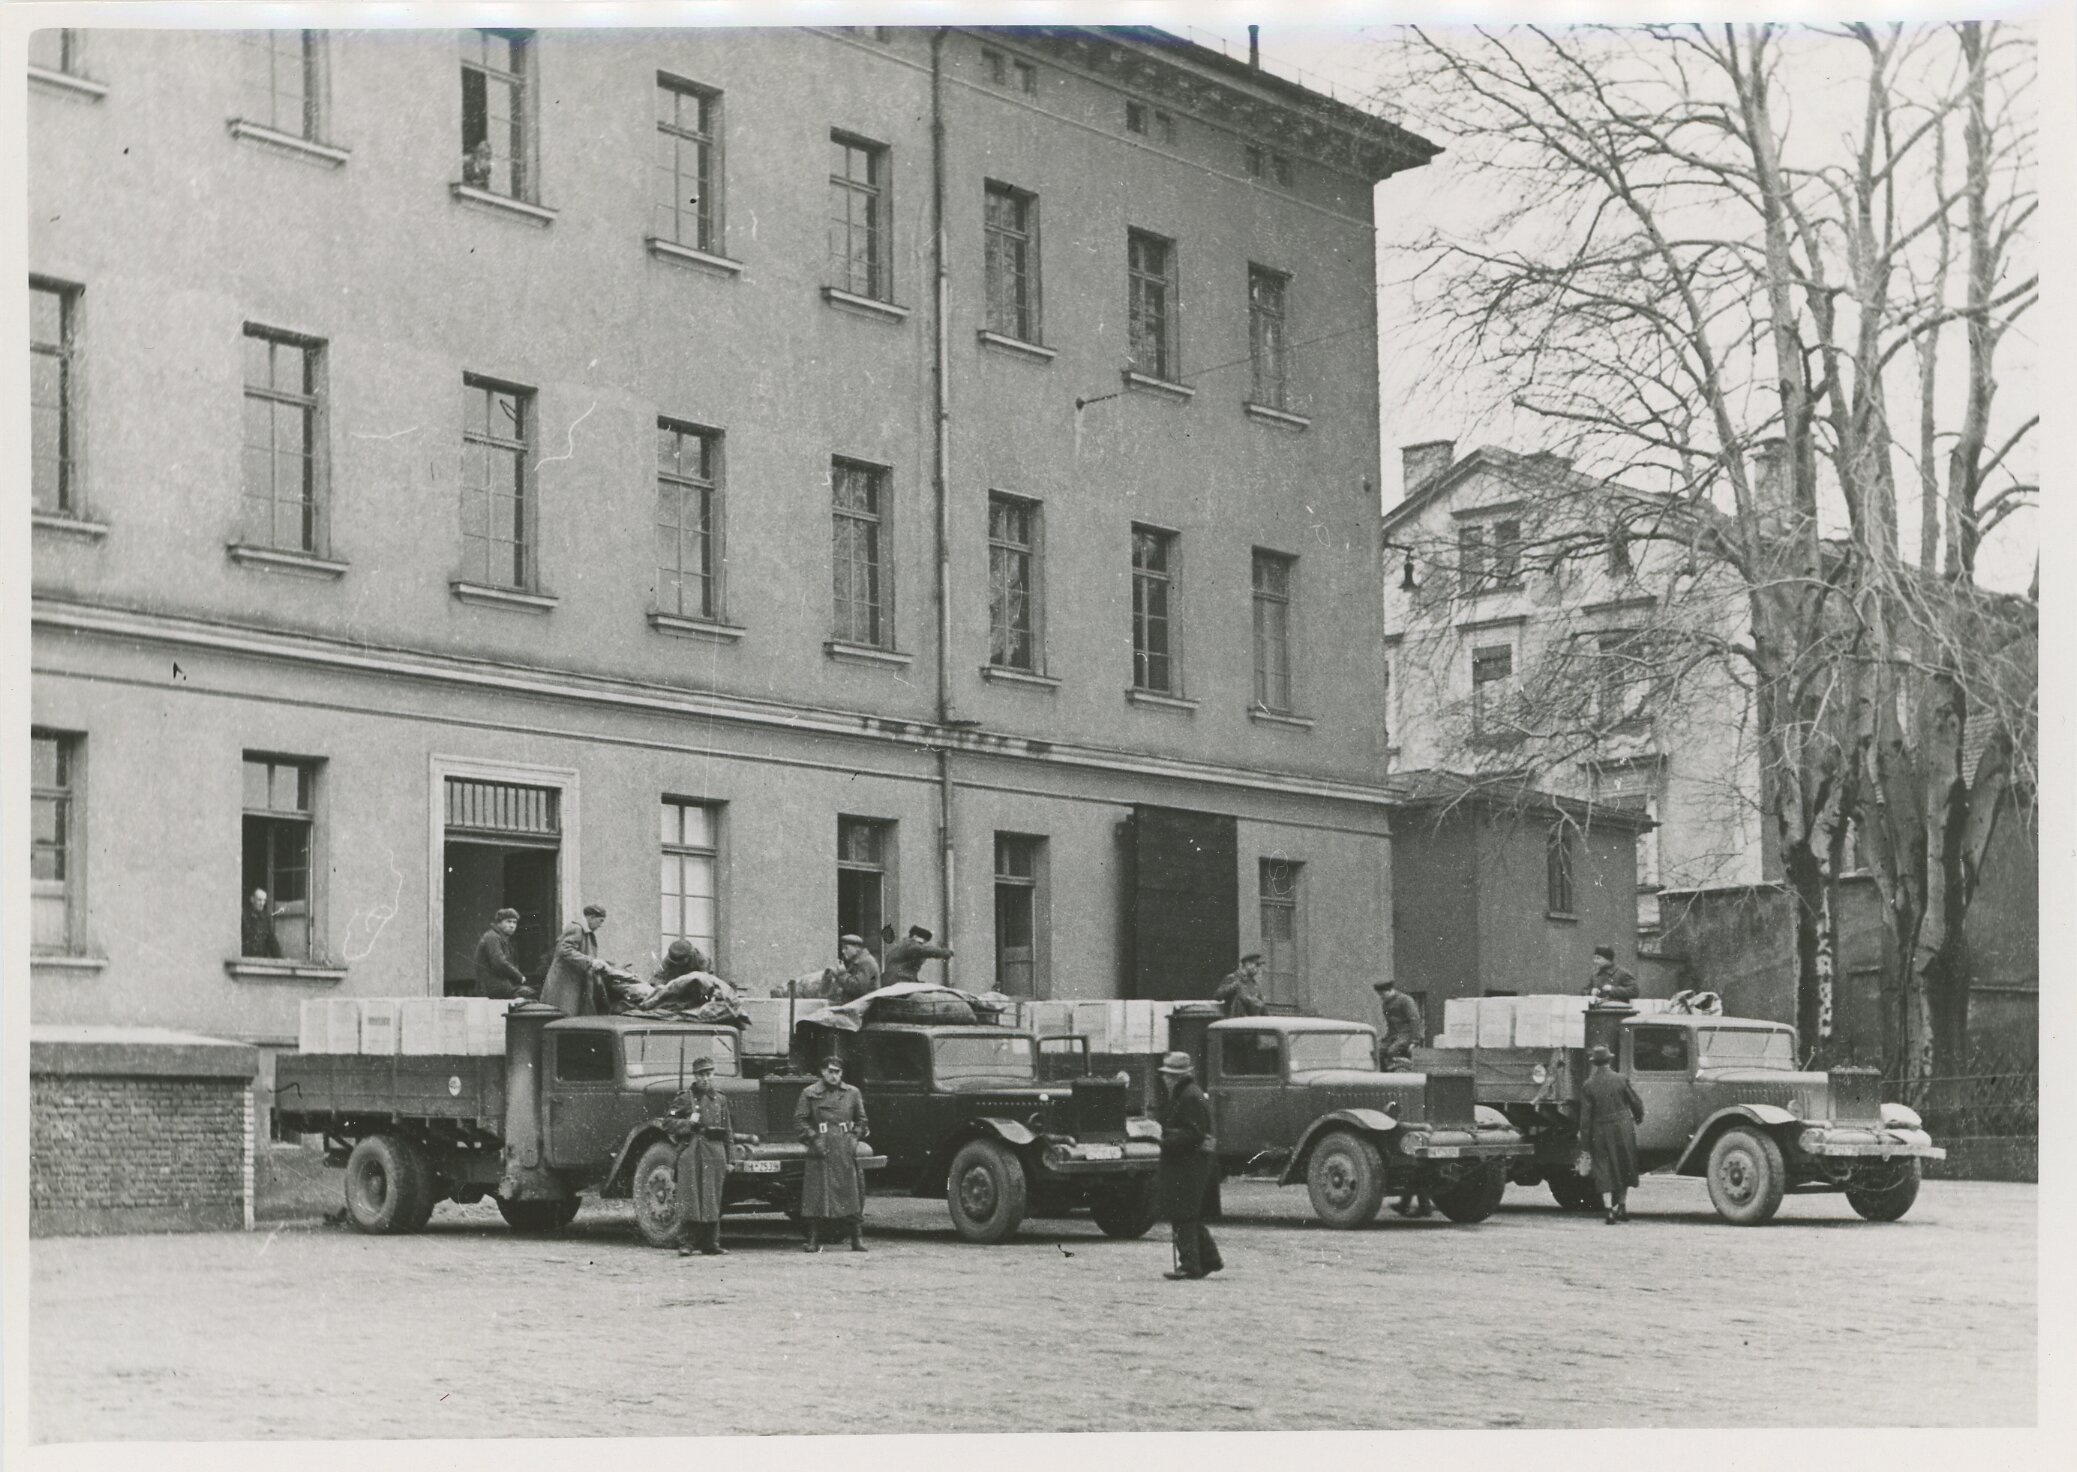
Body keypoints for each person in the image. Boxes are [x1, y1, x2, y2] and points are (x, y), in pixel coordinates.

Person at [1154, 1051, 1224, 1281]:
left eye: (1168, 1075)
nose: (1164, 1079)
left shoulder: (1188, 1096)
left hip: (1187, 1164)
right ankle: (1210, 1259)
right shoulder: (1188, 1093)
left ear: (1177, 1077)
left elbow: (1193, 1133)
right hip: (1190, 1163)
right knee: (1190, 1214)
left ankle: (1190, 1264)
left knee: (1183, 1214)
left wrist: (1163, 1138)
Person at [794, 1055, 870, 1253]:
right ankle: (813, 1239)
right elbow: (800, 1120)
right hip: (820, 1146)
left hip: (844, 1146)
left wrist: (854, 1138)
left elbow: (862, 1120)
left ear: (842, 1073)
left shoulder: (852, 1093)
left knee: (850, 1193)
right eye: (830, 1071)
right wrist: (814, 1138)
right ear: (822, 1071)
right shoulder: (809, 1093)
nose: (833, 1076)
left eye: (837, 1072)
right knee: (815, 1195)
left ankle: (857, 1238)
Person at [671, 1054, 733, 1257]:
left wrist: (730, 1159)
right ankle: (687, 1243)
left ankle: (711, 1243)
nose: (706, 1078)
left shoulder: (720, 1099)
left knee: (712, 1198)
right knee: (690, 1197)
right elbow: (668, 1122)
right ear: (695, 1076)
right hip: (692, 1151)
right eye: (701, 1075)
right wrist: (688, 1124)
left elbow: (728, 1130)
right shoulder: (684, 1098)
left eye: (709, 1074)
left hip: (715, 1152)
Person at [1578, 1043, 1646, 1224]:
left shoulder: (1588, 1085)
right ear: (1609, 1061)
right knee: (1624, 1165)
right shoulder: (1621, 1079)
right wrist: (1638, 1117)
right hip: (1622, 1127)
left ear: (1594, 1063)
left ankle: (1609, 1211)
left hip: (1599, 1130)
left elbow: (1585, 1118)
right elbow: (1635, 1102)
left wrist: (1585, 1145)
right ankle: (1622, 1207)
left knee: (1603, 1168)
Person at [541, 904, 612, 1015]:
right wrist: (591, 961)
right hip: (565, 984)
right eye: (600, 921)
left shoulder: (585, 932)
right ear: (591, 917)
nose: (600, 925)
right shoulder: (576, 928)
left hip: (573, 982)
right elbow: (564, 950)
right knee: (564, 1016)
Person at [472, 908, 532, 1000]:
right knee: (531, 994)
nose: (512, 925)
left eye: (514, 922)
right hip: (493, 988)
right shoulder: (492, 937)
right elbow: (499, 962)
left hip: (500, 986)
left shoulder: (502, 939)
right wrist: (519, 976)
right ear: (499, 923)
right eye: (508, 921)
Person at [881, 925, 953, 988]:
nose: (922, 945)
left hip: (894, 982)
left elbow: (908, 970)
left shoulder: (901, 947)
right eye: (921, 942)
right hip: (899, 982)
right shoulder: (909, 945)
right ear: (915, 937)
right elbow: (923, 950)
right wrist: (944, 952)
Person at [1374, 979, 1423, 1068]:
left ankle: (1402, 1069)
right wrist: (1385, 1039)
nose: (1381, 997)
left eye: (1383, 994)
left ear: (1390, 990)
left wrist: (1414, 1041)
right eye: (1380, 995)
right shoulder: (1385, 1004)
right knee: (1377, 1051)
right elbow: (1390, 1024)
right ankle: (1384, 1073)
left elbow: (1414, 1020)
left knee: (1392, 1051)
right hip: (1393, 1035)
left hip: (1406, 1034)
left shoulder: (1405, 1000)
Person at [1214, 954, 1268, 1018]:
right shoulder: (1232, 978)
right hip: (1235, 1020)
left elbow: (1262, 1007)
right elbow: (1218, 996)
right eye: (1257, 965)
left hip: (1251, 1021)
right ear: (1247, 964)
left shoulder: (1255, 985)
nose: (1258, 969)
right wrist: (1234, 986)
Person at [831, 934, 882, 1002]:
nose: (843, 951)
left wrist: (842, 974)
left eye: (846, 948)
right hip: (859, 1003)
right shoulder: (857, 961)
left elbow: (858, 988)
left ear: (857, 948)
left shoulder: (866, 962)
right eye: (842, 948)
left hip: (867, 1004)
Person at [241, 888, 282, 960]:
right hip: (246, 960)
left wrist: (280, 959)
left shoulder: (266, 918)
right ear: (252, 899)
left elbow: (272, 941)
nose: (262, 903)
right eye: (259, 900)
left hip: (260, 960)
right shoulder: (244, 916)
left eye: (264, 900)